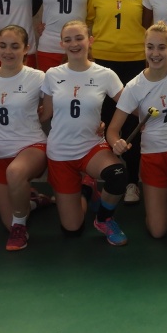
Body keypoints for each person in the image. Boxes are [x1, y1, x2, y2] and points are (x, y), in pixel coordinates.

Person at [106, 23, 167, 253]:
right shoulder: (134, 87)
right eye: (150, 47)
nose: (155, 53)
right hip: (152, 154)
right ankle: (164, 199)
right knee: (157, 231)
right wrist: (116, 143)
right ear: (144, 48)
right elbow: (112, 130)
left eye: (161, 47)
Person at [39, 20, 131, 247]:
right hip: (60, 152)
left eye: (79, 38)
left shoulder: (105, 74)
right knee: (72, 229)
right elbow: (44, 115)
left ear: (90, 40)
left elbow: (131, 105)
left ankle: (104, 218)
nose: (74, 43)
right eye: (68, 39)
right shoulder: (52, 74)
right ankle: (86, 191)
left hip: (91, 147)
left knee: (118, 174)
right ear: (61, 44)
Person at [0, 24, 50, 251]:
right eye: (3, 45)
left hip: (31, 146)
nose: (8, 51)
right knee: (8, 221)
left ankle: (20, 229)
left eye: (15, 46)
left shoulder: (38, 77)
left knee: (15, 173)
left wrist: (97, 123)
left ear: (26, 49)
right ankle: (33, 201)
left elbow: (61, 104)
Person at [85, 0, 147, 204]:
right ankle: (109, 175)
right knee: (104, 122)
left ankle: (132, 181)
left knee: (132, 125)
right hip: (103, 65)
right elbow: (88, 24)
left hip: (136, 64)